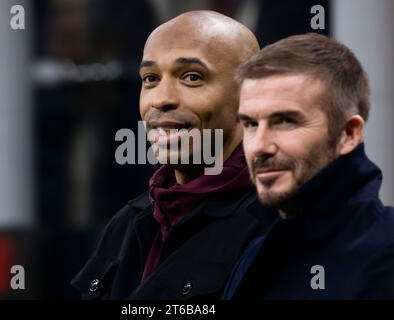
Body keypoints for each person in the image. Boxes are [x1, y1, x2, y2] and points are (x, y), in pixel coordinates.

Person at [71, 10, 276, 299]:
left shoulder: (278, 224)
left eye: (192, 77)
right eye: (150, 78)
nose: (161, 98)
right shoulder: (127, 222)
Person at [223, 33, 394, 299]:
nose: (259, 146)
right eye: (250, 124)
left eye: (285, 121)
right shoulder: (256, 251)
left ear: (348, 134)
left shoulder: (385, 250)